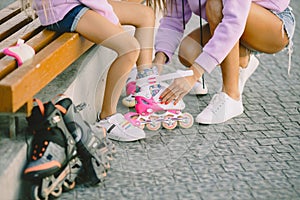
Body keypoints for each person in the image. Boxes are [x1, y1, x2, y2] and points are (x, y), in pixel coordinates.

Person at [23, 0, 157, 141]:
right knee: (129, 48)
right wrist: (111, 20)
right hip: (64, 10)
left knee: (145, 14)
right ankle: (108, 117)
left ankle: (145, 87)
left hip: (79, 4)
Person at [152, 0, 295, 124]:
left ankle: (231, 96)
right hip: (237, 20)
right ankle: (242, 60)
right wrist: (156, 63)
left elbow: (232, 24)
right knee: (189, 51)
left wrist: (193, 74)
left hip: (274, 24)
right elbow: (173, 19)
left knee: (215, 5)